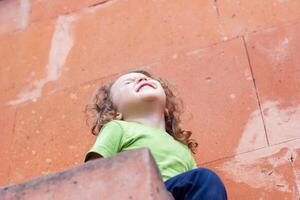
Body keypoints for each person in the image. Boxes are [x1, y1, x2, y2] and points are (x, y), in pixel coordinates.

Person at [84, 70, 227, 200]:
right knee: (204, 178)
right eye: (128, 82)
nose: (141, 80)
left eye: (145, 78)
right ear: (115, 113)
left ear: (166, 109)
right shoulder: (118, 127)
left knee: (205, 180)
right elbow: (95, 170)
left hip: (174, 193)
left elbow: (201, 190)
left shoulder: (182, 147)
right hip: (140, 194)